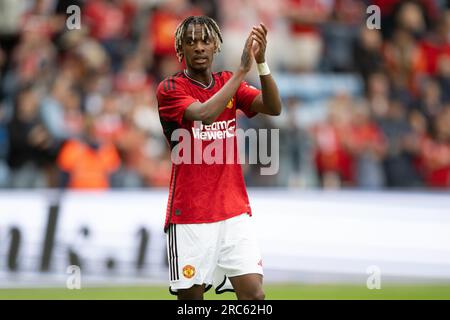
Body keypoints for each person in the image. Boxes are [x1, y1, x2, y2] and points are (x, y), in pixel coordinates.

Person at [156, 16, 282, 300]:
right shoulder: (170, 89)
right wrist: (241, 72)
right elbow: (204, 114)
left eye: (205, 41)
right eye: (190, 42)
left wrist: (261, 64)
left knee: (255, 296)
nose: (198, 47)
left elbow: (274, 107)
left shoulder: (227, 82)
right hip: (190, 215)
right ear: (180, 52)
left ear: (216, 46)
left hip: (233, 210)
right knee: (192, 302)